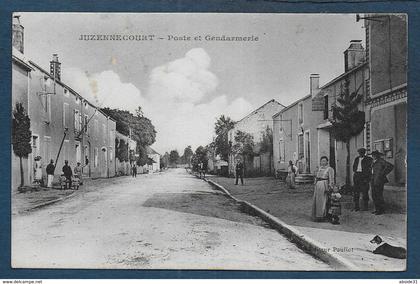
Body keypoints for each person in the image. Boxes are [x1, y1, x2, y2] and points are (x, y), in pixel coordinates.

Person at [312, 156, 335, 222]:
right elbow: (316, 177)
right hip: (318, 185)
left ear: (327, 162)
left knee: (324, 200)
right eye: (322, 161)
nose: (323, 162)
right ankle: (318, 215)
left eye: (324, 161)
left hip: (324, 184)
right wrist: (315, 183)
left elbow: (331, 178)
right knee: (317, 200)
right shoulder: (319, 168)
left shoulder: (329, 169)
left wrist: (330, 187)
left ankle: (324, 215)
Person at [371, 150, 394, 215]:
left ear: (378, 155)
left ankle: (381, 210)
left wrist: (382, 174)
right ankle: (377, 209)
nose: (373, 156)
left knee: (379, 195)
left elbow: (390, 166)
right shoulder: (373, 161)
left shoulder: (381, 161)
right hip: (373, 180)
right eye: (373, 155)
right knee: (374, 195)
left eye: (375, 155)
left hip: (379, 180)